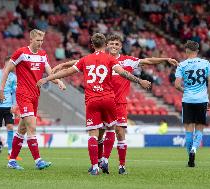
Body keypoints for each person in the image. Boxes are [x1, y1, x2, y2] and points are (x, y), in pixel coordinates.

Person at [51, 34, 178, 174]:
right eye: (111, 44)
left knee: (120, 132)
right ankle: (99, 162)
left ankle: (120, 165)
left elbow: (147, 60)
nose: (114, 46)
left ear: (120, 47)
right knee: (100, 134)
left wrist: (165, 59)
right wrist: (63, 64)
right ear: (107, 45)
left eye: (117, 44)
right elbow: (80, 61)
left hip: (119, 103)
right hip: (105, 100)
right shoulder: (103, 59)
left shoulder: (127, 61)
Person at [37, 33, 151, 175]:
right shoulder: (110, 59)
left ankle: (95, 167)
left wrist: (47, 78)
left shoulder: (85, 59)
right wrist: (140, 81)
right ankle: (104, 159)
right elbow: (123, 73)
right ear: (105, 45)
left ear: (91, 45)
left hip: (92, 100)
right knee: (110, 130)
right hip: (109, 99)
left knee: (93, 134)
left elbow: (67, 72)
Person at [0, 29, 66, 170]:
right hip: (23, 94)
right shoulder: (21, 53)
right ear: (31, 40)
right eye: (38, 40)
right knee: (32, 126)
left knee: (22, 128)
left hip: (35, 95)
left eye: (42, 41)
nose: (40, 43)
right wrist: (1, 89)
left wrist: (58, 81)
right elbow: (6, 69)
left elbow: (50, 73)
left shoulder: (43, 55)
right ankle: (38, 161)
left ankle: (11, 162)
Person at [175, 40, 210, 167]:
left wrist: (184, 90)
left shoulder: (182, 65)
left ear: (186, 51)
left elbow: (177, 85)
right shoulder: (205, 63)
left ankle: (190, 159)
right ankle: (194, 149)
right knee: (200, 128)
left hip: (187, 100)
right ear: (197, 51)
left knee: (188, 130)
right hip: (202, 99)